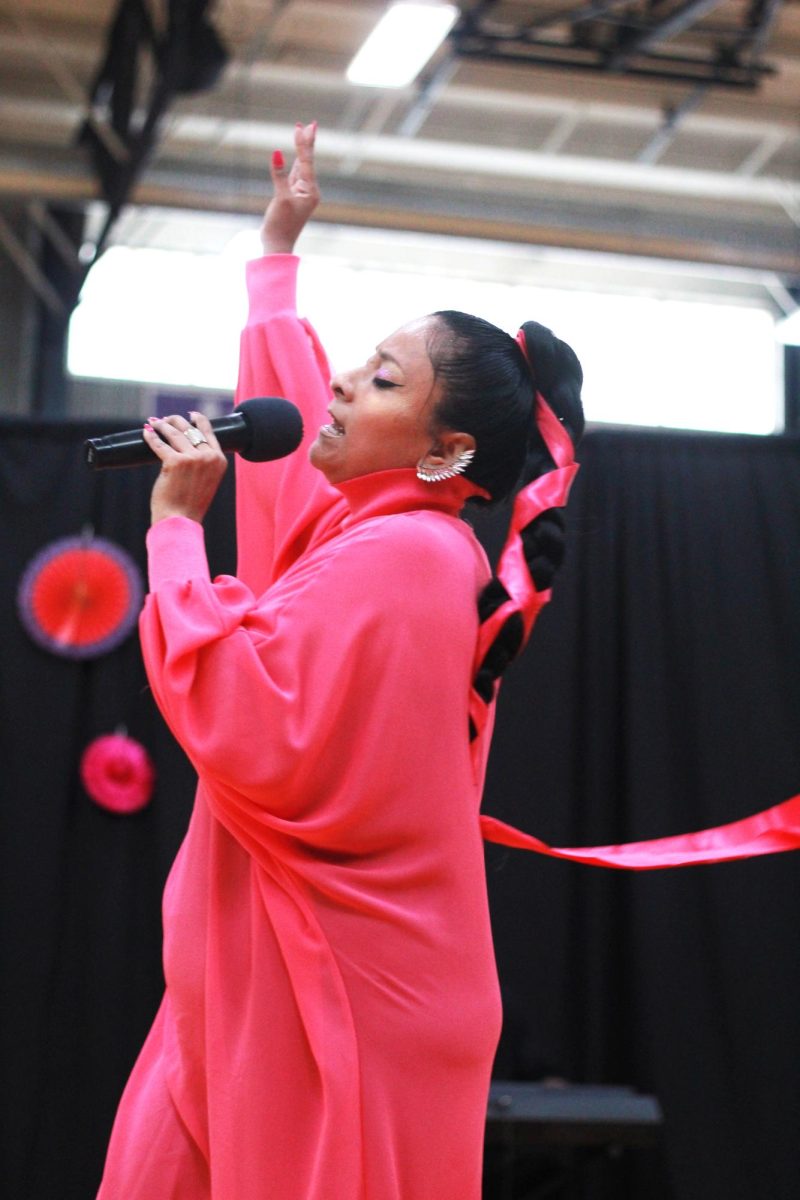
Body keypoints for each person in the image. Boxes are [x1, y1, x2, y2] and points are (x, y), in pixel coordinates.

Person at [96, 121, 584, 1200]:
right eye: (358, 366)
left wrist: (175, 536)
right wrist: (276, 258)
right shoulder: (366, 530)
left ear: (446, 451)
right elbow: (284, 469)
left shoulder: (412, 554)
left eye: (379, 379)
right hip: (245, 986)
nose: (345, 385)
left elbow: (255, 731)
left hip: (340, 1003)